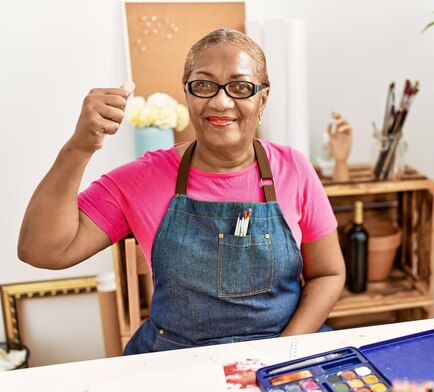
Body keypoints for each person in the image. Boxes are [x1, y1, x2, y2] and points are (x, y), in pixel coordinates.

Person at [18, 28, 346, 355]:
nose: (221, 101)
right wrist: (78, 148)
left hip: (281, 351)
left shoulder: (294, 168)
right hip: (174, 360)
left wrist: (282, 350)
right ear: (187, 94)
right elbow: (42, 250)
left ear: (263, 98)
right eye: (203, 85)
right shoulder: (142, 178)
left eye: (240, 86)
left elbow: (328, 274)